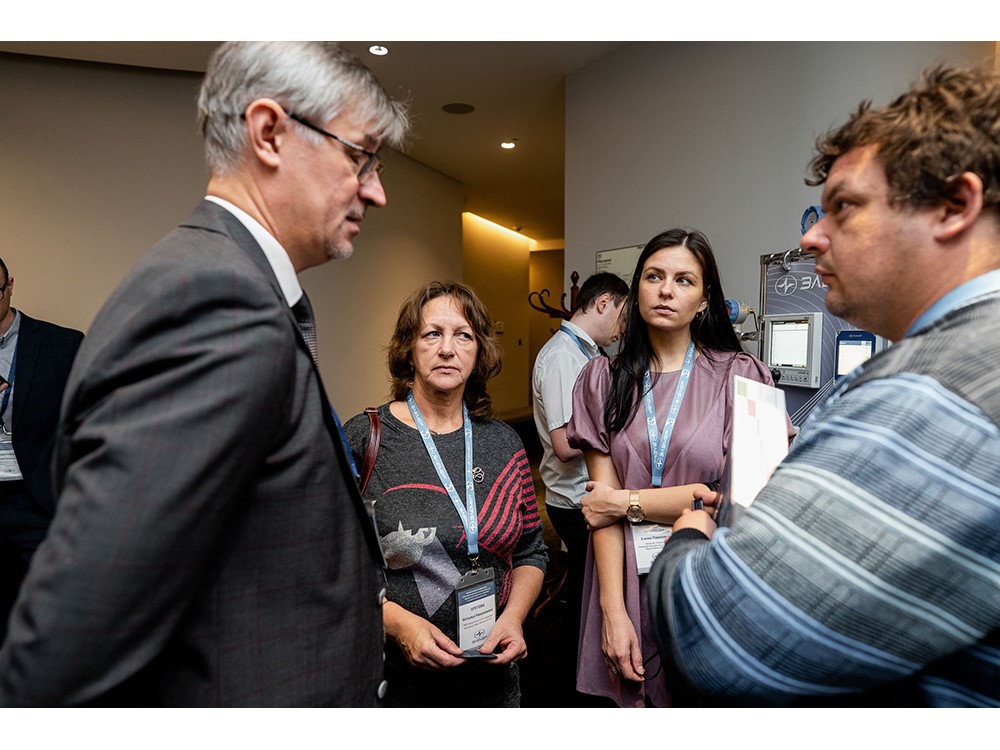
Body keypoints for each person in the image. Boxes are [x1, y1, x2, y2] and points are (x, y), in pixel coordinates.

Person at [0, 41, 408, 706]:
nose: (376, 191)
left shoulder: (233, 288)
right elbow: (71, 640)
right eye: (360, 156)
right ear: (269, 133)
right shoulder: (213, 302)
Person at [648, 64, 1000, 707]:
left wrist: (690, 538)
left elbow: (722, 635)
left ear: (954, 206)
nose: (811, 236)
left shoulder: (937, 389)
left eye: (844, 207)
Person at [567, 228, 791, 707]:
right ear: (637, 290)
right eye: (654, 277)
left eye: (684, 280)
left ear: (705, 300)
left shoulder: (746, 376)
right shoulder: (600, 380)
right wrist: (612, 611)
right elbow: (599, 512)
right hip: (622, 578)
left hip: (709, 576)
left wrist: (625, 502)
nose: (666, 290)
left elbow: (752, 507)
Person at [344, 281, 547, 707]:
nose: (447, 349)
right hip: (394, 682)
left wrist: (514, 617)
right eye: (432, 334)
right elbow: (332, 564)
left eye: (463, 335)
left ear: (479, 351)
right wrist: (398, 625)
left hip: (492, 679)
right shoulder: (365, 438)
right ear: (409, 349)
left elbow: (531, 549)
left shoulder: (505, 444)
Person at [530, 271, 627, 703]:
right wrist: (619, 430)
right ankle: (575, 690)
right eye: (624, 315)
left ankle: (579, 680)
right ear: (604, 303)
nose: (623, 329)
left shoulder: (587, 354)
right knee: (590, 600)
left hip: (586, 494)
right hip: (572, 500)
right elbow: (563, 445)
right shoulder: (562, 358)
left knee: (584, 594)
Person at [0, 257, 84, 645]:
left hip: (37, 499)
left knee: (52, 617)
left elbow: (87, 421)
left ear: (10, 286)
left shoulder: (61, 345)